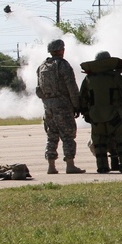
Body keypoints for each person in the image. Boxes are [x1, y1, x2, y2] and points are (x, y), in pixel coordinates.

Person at [79, 51, 122, 174]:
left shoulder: (88, 79)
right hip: (115, 115)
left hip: (96, 117)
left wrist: (85, 113)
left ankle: (102, 167)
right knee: (121, 142)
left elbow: (82, 98)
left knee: (99, 144)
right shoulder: (115, 77)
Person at [35, 39, 85, 174]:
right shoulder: (63, 65)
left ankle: (51, 167)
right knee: (68, 135)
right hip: (63, 105)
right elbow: (72, 87)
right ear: (61, 50)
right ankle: (70, 165)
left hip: (48, 106)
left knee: (52, 135)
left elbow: (38, 89)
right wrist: (76, 105)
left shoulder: (42, 67)